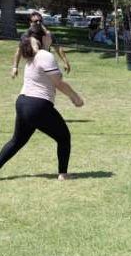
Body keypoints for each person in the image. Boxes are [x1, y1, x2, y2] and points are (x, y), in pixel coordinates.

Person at [0, 35, 84, 181]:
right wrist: (74, 97)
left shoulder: (32, 58)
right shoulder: (44, 55)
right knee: (64, 137)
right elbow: (58, 82)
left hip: (22, 102)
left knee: (17, 141)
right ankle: (63, 174)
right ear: (33, 44)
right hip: (37, 105)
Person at [11, 11, 71, 78]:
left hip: (47, 62)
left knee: (56, 79)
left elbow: (58, 48)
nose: (38, 23)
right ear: (30, 23)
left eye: (40, 21)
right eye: (36, 21)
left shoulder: (48, 34)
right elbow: (19, 51)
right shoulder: (26, 35)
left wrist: (66, 62)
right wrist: (15, 67)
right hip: (33, 64)